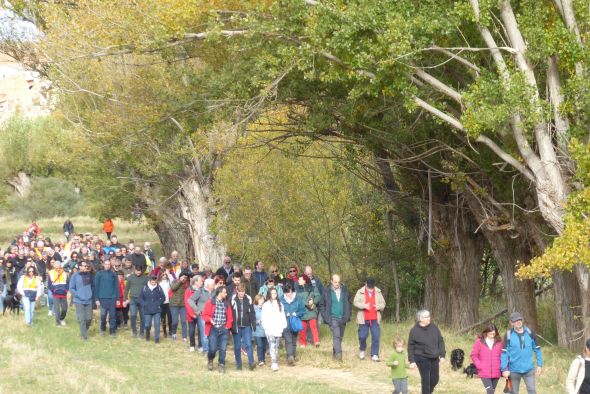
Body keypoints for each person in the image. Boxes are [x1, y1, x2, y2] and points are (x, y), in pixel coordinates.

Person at [501, 312, 543, 394]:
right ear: (511, 322)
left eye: (519, 319)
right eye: (515, 320)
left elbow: (537, 349)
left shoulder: (530, 333)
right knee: (513, 392)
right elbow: (504, 354)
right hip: (513, 370)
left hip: (529, 369)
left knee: (532, 391)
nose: (518, 321)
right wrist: (504, 369)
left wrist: (539, 365)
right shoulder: (508, 335)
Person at [408, 309, 446, 394]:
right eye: (426, 317)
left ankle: (428, 392)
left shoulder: (434, 327)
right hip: (421, 357)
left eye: (429, 316)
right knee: (426, 381)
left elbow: (440, 341)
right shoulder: (414, 330)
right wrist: (411, 360)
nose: (429, 318)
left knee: (435, 379)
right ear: (420, 319)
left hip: (434, 357)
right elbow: (410, 346)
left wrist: (442, 355)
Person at [353, 277, 386, 361]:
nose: (370, 288)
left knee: (376, 336)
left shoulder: (378, 292)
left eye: (372, 287)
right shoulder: (360, 291)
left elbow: (383, 303)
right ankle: (362, 350)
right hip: (363, 319)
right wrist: (363, 306)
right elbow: (355, 302)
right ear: (365, 284)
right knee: (362, 336)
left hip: (375, 319)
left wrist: (378, 307)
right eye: (369, 286)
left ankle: (374, 354)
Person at [320, 274, 352, 361]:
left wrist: (348, 314)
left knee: (340, 337)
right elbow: (322, 305)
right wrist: (326, 317)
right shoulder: (326, 291)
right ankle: (339, 355)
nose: (337, 284)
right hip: (332, 318)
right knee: (336, 336)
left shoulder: (345, 290)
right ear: (331, 281)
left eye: (338, 282)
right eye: (335, 282)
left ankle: (335, 352)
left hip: (343, 317)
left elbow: (349, 303)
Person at [202, 286, 233, 373]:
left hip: (223, 329)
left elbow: (230, 318)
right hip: (213, 329)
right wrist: (210, 320)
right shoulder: (210, 302)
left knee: (223, 349)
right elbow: (204, 315)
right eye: (225, 292)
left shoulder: (226, 304)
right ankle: (210, 360)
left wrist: (227, 327)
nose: (226, 294)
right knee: (212, 349)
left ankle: (221, 364)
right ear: (220, 293)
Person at [231, 283, 256, 370]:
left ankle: (251, 363)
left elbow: (252, 312)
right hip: (236, 326)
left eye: (243, 291)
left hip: (247, 325)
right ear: (237, 291)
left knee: (248, 344)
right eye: (240, 291)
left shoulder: (248, 298)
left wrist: (253, 324)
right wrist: (231, 325)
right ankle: (238, 365)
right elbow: (231, 312)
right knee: (237, 346)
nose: (241, 293)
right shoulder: (233, 299)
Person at [471, 324, 503, 394]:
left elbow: (503, 356)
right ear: (486, 332)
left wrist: (502, 367)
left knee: (492, 392)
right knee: (490, 391)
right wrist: (479, 365)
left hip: (496, 371)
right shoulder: (479, 342)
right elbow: (474, 355)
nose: (492, 335)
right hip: (484, 372)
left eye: (494, 333)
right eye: (490, 333)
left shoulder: (499, 342)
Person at [261, 287, 287, 372]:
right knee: (272, 345)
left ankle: (275, 360)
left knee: (276, 346)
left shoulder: (280, 304)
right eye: (272, 293)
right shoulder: (266, 305)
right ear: (269, 294)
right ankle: (274, 363)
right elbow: (263, 317)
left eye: (275, 293)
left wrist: (283, 326)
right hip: (269, 329)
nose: (274, 295)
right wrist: (266, 328)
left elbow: (282, 316)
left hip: (278, 328)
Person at [69, 262, 96, 340]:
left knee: (89, 319)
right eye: (84, 266)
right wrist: (78, 295)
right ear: (80, 267)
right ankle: (84, 336)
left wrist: (92, 296)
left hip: (89, 300)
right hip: (79, 301)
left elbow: (93, 287)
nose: (86, 267)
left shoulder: (90, 275)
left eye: (86, 266)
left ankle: (84, 330)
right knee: (82, 319)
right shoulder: (74, 276)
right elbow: (71, 288)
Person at [94, 258, 120, 337]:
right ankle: (103, 329)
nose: (107, 266)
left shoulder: (113, 274)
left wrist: (118, 298)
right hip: (102, 298)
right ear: (103, 265)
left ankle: (112, 331)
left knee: (112, 315)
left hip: (112, 298)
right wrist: (96, 299)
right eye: (106, 264)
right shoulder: (99, 274)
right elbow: (96, 287)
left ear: (110, 265)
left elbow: (116, 287)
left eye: (109, 264)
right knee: (103, 315)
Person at [282, 283, 305, 366]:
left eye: (291, 292)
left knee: (293, 341)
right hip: (285, 324)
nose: (289, 294)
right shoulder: (281, 300)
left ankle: (293, 356)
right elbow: (278, 311)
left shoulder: (298, 299)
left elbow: (302, 310)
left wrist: (296, 314)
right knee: (288, 340)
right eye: (287, 292)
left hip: (295, 323)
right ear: (284, 292)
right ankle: (290, 357)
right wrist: (286, 313)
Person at [188, 277, 214, 353]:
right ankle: (206, 350)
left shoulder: (215, 292)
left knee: (212, 333)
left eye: (213, 284)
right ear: (207, 285)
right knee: (204, 333)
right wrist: (196, 309)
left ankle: (212, 348)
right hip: (202, 315)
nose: (213, 286)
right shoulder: (200, 291)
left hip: (212, 315)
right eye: (212, 285)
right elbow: (190, 300)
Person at [139, 275, 166, 343]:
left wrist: (158, 303)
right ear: (149, 281)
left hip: (157, 309)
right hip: (147, 309)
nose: (154, 283)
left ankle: (156, 339)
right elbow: (140, 298)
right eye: (152, 282)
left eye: (155, 282)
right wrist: (144, 304)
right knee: (147, 325)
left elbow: (163, 297)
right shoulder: (144, 288)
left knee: (157, 324)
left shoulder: (159, 288)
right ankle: (147, 335)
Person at [123, 266, 149, 337]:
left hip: (142, 300)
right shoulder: (130, 278)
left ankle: (141, 332)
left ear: (141, 271)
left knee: (143, 316)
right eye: (137, 271)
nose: (138, 272)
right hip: (133, 299)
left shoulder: (145, 278)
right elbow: (126, 289)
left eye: (139, 271)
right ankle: (134, 331)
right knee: (133, 315)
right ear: (135, 270)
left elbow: (149, 289)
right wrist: (124, 299)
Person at [297, 275, 321, 348]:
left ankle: (316, 341)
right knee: (302, 328)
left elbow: (318, 296)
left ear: (305, 280)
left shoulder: (313, 288)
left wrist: (313, 302)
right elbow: (297, 301)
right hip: (303, 311)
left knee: (313, 326)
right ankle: (303, 343)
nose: (298, 281)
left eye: (300, 280)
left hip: (311, 309)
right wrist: (305, 303)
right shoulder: (297, 290)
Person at [48, 259, 69, 326]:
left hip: (63, 293)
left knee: (64, 309)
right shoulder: (50, 273)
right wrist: (53, 290)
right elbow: (49, 284)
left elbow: (68, 283)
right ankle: (58, 323)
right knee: (57, 309)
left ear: (60, 267)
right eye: (56, 267)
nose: (57, 269)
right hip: (55, 293)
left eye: (59, 267)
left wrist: (66, 290)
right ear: (54, 267)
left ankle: (61, 318)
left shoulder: (64, 273)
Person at [170, 271, 189, 341]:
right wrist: (180, 281)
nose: (185, 279)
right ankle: (173, 333)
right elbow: (173, 288)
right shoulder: (175, 281)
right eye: (184, 277)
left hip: (183, 305)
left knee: (184, 321)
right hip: (174, 304)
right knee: (175, 321)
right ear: (180, 276)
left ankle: (184, 337)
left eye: (186, 278)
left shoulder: (187, 284)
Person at [185, 275, 201, 352]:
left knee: (201, 330)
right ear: (196, 282)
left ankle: (201, 345)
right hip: (191, 314)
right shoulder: (188, 290)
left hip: (200, 314)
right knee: (191, 331)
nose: (202, 282)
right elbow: (187, 303)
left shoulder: (202, 290)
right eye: (200, 281)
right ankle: (192, 345)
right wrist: (192, 314)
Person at [253, 294, 267, 366]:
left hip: (265, 331)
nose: (261, 301)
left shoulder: (266, 308)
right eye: (260, 299)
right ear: (257, 300)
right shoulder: (253, 309)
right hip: (257, 331)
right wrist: (258, 321)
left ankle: (263, 359)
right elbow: (251, 320)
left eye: (262, 299)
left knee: (264, 346)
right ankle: (260, 360)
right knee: (260, 345)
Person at [158, 272, 172, 338]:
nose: (164, 276)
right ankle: (164, 331)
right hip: (161, 302)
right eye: (163, 274)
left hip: (168, 302)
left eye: (165, 275)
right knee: (162, 318)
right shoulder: (159, 283)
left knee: (170, 317)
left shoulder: (169, 282)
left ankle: (170, 331)